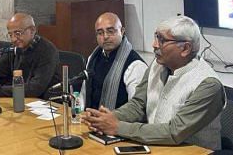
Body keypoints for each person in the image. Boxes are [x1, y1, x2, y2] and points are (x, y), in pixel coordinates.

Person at [82, 15, 225, 150]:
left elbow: (174, 132)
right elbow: (138, 105)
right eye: (156, 37)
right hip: (157, 146)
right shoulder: (157, 65)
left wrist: (117, 126)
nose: (154, 45)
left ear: (185, 48)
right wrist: (108, 118)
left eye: (162, 40)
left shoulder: (207, 84)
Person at [0, 13, 60, 99]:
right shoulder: (13, 49)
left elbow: (35, 88)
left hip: (47, 102)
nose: (13, 39)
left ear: (32, 30)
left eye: (18, 33)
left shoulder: (47, 51)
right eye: (10, 35)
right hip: (20, 99)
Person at [80, 12, 147, 110]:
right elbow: (83, 95)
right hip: (89, 119)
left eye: (110, 31)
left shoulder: (135, 65)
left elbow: (136, 109)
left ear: (122, 31)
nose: (105, 36)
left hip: (118, 123)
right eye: (100, 33)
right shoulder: (93, 58)